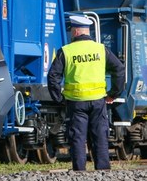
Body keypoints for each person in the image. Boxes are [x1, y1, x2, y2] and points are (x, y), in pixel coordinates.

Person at [47, 15, 125, 171]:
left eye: (71, 31)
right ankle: (103, 170)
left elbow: (53, 76)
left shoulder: (66, 51)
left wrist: (59, 99)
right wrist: (113, 93)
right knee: (100, 136)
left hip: (75, 102)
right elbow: (119, 69)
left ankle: (79, 172)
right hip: (98, 101)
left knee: (77, 137)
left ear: (75, 32)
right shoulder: (101, 49)